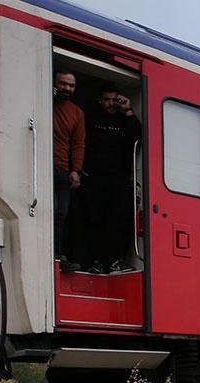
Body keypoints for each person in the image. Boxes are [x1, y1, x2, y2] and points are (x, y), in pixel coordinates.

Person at [82, 84, 141, 274]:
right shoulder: (90, 118)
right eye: (106, 99)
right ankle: (96, 261)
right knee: (94, 221)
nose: (110, 103)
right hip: (94, 178)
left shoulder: (125, 120)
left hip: (119, 179)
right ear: (100, 100)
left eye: (114, 99)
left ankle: (117, 260)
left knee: (120, 221)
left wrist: (129, 111)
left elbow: (137, 137)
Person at [52, 70, 85, 273]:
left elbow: (78, 144)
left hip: (64, 170)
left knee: (61, 214)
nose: (67, 88)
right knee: (52, 211)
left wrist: (76, 170)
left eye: (71, 85)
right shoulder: (45, 101)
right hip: (45, 166)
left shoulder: (77, 113)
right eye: (63, 84)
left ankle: (59, 253)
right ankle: (54, 253)